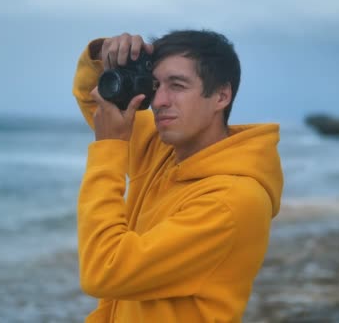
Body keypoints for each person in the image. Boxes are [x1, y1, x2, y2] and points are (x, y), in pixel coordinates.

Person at [72, 30, 283, 322]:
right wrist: (104, 56)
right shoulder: (164, 151)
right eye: (155, 85)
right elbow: (96, 100)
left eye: (177, 85)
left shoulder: (231, 203)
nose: (159, 101)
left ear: (222, 95)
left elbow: (104, 270)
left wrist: (109, 148)